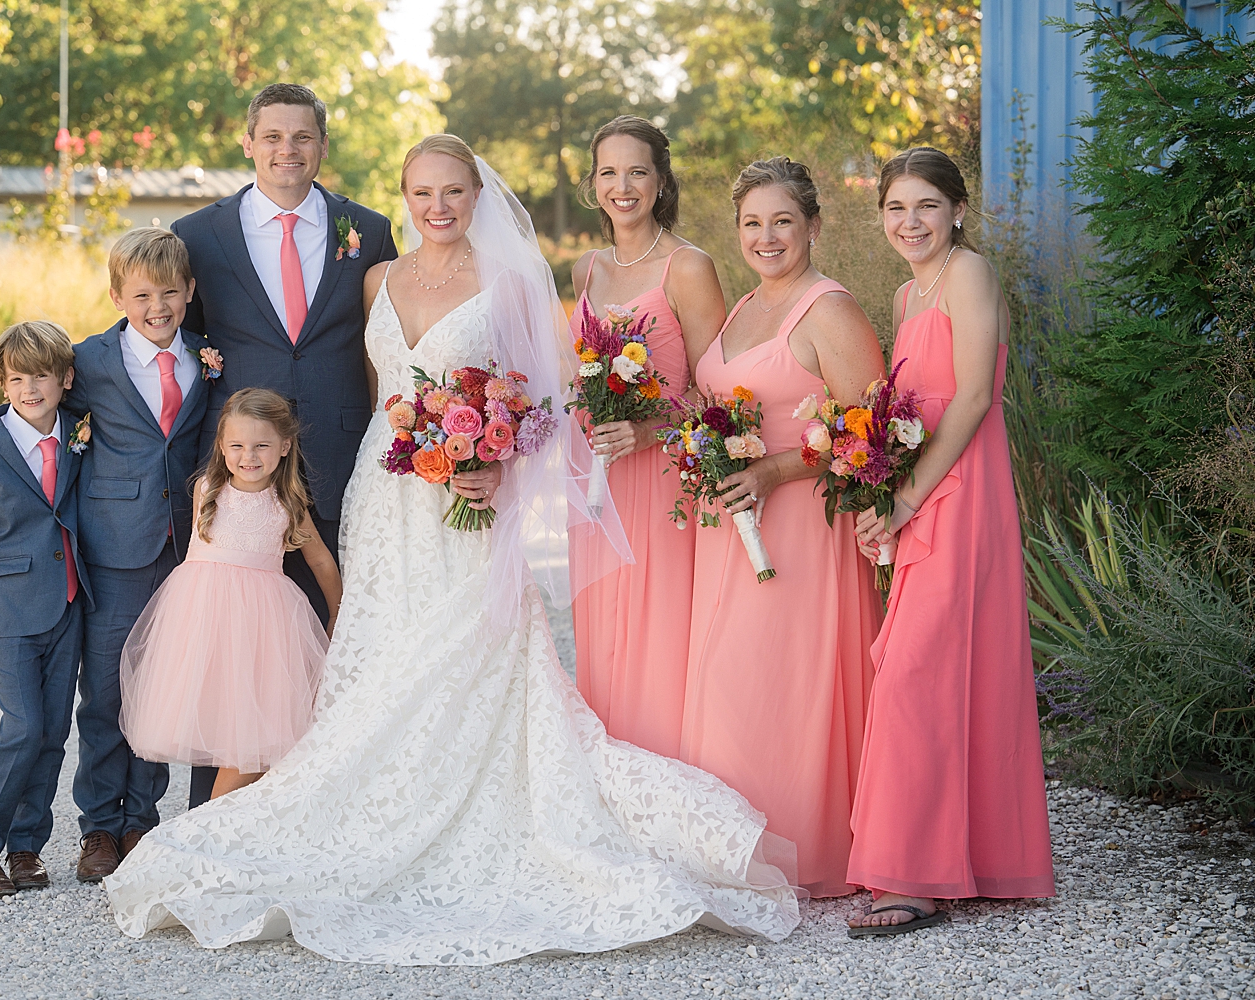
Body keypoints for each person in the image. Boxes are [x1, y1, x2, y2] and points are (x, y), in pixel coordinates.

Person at [102, 135, 802, 964]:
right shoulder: (376, 280)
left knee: (472, 657)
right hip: (383, 493)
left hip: (468, 503)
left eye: (455, 192)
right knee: (378, 658)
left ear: (477, 196)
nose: (439, 207)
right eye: (422, 193)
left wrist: (498, 464)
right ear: (403, 198)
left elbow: (552, 400)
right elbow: (377, 397)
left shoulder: (512, 283)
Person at [0, 228, 213, 882]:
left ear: (190, 293)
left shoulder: (208, 359)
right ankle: (98, 828)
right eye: (142, 295)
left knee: (157, 692)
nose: (157, 307)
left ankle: (139, 821)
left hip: (184, 550)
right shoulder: (90, 358)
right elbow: (30, 396)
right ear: (118, 296)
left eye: (170, 294)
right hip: (111, 550)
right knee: (102, 697)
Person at [169, 82, 399, 809]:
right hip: (241, 477)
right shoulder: (198, 237)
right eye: (272, 137)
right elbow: (158, 340)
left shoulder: (368, 229)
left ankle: (320, 808)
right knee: (235, 653)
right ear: (248, 143)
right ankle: (217, 819)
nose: (287, 151)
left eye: (302, 137)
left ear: (322, 146)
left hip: (338, 461)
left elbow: (391, 344)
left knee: (332, 641)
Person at [848, 147, 1055, 936]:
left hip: (960, 495)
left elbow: (972, 397)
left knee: (919, 671)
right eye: (897, 208)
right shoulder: (906, 294)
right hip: (921, 495)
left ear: (957, 211)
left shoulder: (970, 274)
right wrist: (875, 493)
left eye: (926, 206)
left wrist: (905, 497)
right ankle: (951, 855)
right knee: (922, 669)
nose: (911, 222)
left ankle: (914, 876)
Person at [679, 158, 886, 899]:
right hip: (728, 525)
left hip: (799, 527)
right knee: (728, 679)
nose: (767, 237)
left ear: (815, 226)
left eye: (783, 222)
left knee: (780, 683)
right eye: (752, 223)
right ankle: (733, 847)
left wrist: (772, 472)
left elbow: (868, 429)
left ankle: (806, 848)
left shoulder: (829, 310)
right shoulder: (741, 310)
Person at [567, 115, 727, 758]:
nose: (622, 186)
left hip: (660, 479)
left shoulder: (687, 266)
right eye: (609, 172)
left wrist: (647, 425)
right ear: (592, 184)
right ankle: (608, 780)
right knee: (600, 632)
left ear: (661, 182)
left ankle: (665, 780)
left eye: (637, 171)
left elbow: (717, 391)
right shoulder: (587, 267)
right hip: (595, 477)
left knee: (659, 633)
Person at [119, 389, 338, 798]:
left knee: (256, 736)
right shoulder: (208, 489)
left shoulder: (287, 503)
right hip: (203, 621)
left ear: (285, 446)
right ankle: (207, 829)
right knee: (221, 720)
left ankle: (207, 825)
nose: (248, 456)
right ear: (221, 445)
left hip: (262, 626)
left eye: (262, 445)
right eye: (236, 445)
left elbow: (321, 561)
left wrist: (336, 612)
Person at [0, 321, 94, 897]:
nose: (30, 388)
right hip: (7, 613)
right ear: (2, 385)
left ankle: (27, 846)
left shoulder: (80, 431)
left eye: (41, 376)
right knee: (22, 728)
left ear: (65, 379)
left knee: (54, 732)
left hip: (68, 604)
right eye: (16, 379)